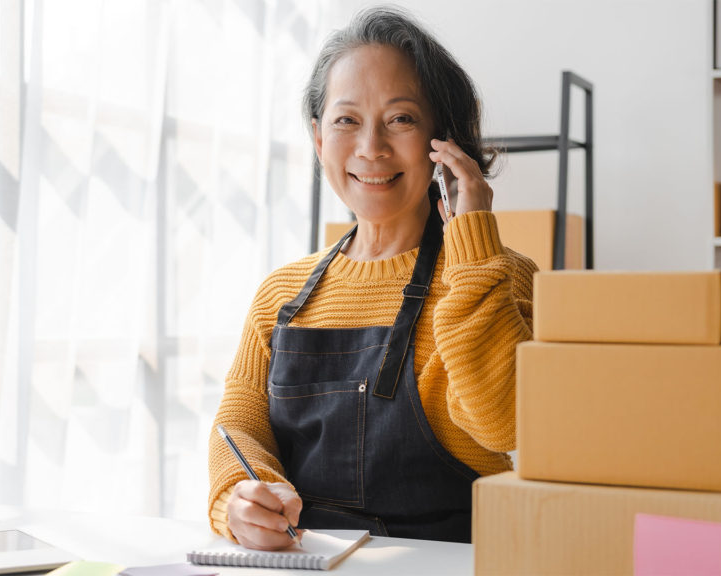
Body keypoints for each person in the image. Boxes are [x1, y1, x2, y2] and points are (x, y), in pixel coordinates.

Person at [207, 5, 537, 550]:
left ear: (443, 139)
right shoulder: (281, 293)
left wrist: (473, 234)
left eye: (401, 118)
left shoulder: (498, 275)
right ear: (318, 139)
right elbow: (238, 425)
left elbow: (504, 423)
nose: (371, 148)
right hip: (308, 562)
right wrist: (238, 498)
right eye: (346, 120)